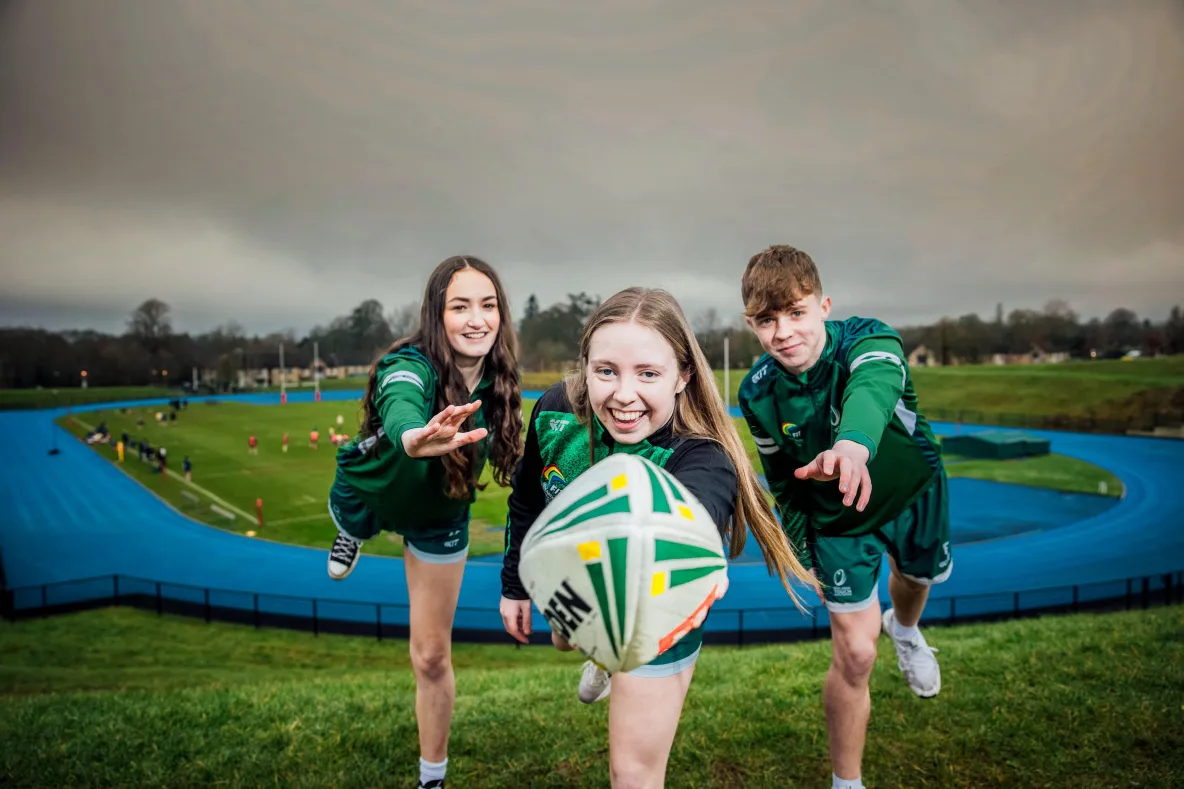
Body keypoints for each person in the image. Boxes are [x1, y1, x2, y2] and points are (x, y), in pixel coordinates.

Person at [500, 287, 815, 789]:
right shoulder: (557, 409)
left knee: (633, 773)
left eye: (648, 373)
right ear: (584, 367)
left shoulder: (702, 459)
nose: (624, 394)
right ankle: (603, 649)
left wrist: (692, 545)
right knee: (562, 640)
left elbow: (690, 528)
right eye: (606, 371)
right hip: (584, 568)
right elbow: (526, 496)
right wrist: (515, 583)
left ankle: (617, 646)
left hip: (664, 596)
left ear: (682, 375)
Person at [736, 245, 950, 789]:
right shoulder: (757, 393)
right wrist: (800, 551)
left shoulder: (869, 338)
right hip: (836, 524)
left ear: (824, 305)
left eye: (796, 312)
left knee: (918, 578)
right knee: (855, 653)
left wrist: (852, 447)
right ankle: (846, 782)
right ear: (751, 325)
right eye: (767, 320)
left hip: (911, 494)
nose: (784, 332)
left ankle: (905, 629)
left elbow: (872, 390)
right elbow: (781, 480)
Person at [324, 255, 524, 789]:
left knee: (432, 656)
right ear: (436, 314)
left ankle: (431, 777)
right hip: (374, 487)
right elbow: (401, 398)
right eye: (460, 306)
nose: (476, 319)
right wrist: (414, 436)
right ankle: (353, 529)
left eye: (488, 305)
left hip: (438, 515)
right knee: (355, 513)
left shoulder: (499, 383)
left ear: (501, 315)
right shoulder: (409, 364)